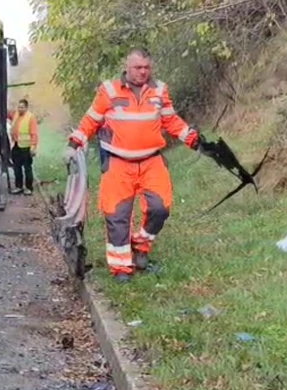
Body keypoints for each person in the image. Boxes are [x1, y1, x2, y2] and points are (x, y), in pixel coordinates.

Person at [63, 48, 200, 283]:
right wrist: (74, 143)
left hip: (151, 161)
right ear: (127, 67)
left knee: (160, 208)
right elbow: (91, 120)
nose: (143, 72)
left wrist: (191, 138)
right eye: (138, 68)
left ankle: (140, 246)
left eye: (147, 67)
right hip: (119, 164)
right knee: (117, 216)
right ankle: (121, 268)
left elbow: (171, 120)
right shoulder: (109, 91)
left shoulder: (159, 90)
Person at [9, 98, 39, 195]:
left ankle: (29, 188)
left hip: (26, 147)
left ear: (26, 108)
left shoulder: (30, 117)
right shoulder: (16, 115)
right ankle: (19, 186)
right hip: (17, 145)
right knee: (16, 167)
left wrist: (33, 147)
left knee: (27, 168)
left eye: (22, 107)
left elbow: (34, 133)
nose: (20, 109)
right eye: (19, 107)